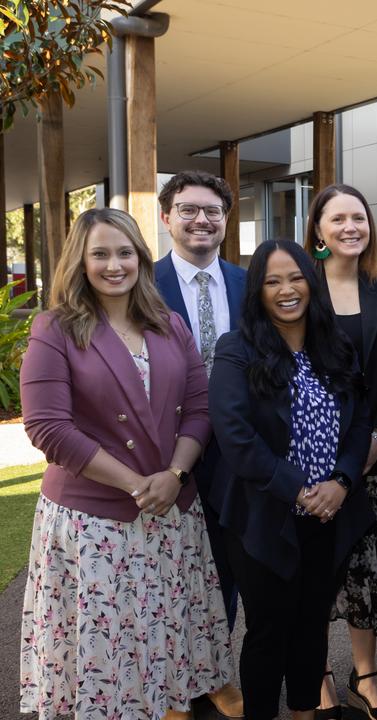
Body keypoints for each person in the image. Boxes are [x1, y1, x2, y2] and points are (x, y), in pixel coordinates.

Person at [19, 208, 231, 720]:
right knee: (108, 662)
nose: (115, 265)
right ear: (80, 262)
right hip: (95, 523)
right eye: (101, 254)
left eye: (125, 252)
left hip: (171, 519)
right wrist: (140, 484)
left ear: (140, 257)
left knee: (163, 650)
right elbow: (47, 427)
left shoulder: (168, 323)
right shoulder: (55, 329)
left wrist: (175, 475)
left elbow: (200, 410)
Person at [208, 239, 375, 720]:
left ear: (312, 282)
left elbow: (359, 421)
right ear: (257, 291)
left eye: (296, 277)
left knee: (311, 626)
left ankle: (304, 712)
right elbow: (235, 436)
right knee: (268, 630)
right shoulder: (237, 348)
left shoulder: (336, 346)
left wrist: (341, 482)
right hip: (264, 514)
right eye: (272, 281)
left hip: (331, 512)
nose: (286, 290)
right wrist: (300, 490)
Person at [302, 183, 377, 720]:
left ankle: (365, 675)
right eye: (338, 218)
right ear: (318, 229)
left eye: (359, 219)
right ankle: (317, 674)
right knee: (319, 569)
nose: (350, 227)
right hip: (315, 460)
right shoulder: (301, 287)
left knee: (367, 572)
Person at [154, 169, 248, 720]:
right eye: (188, 209)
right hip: (167, 457)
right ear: (166, 217)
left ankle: (212, 675)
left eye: (212, 210)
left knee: (226, 575)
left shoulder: (249, 283)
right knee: (168, 576)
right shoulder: (140, 283)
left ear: (226, 220)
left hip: (237, 458)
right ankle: (170, 684)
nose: (201, 219)